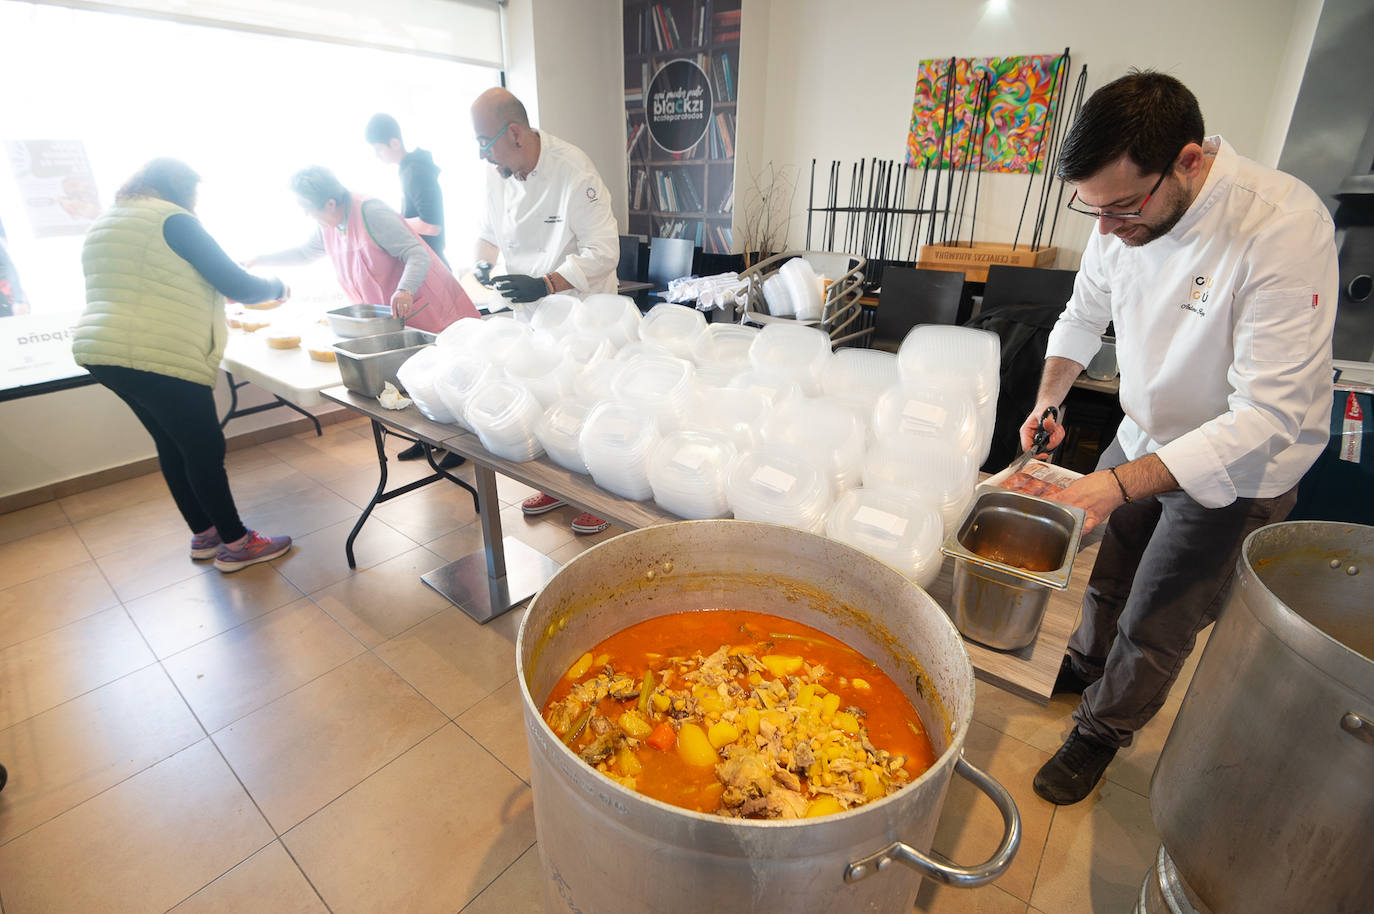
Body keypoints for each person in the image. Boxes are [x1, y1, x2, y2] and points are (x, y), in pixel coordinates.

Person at [1021, 72, 1338, 805]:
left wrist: (1120, 482)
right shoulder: (1116, 211)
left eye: (1124, 207)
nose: (1105, 228)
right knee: (1107, 571)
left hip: (1240, 462)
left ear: (1189, 162)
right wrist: (1049, 398)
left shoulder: (1282, 226)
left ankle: (1101, 731)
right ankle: (1086, 660)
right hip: (1143, 431)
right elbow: (1083, 310)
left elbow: (1267, 413)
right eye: (1091, 208)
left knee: (1159, 614)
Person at [74, 158, 294, 573]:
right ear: (180, 189)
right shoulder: (172, 219)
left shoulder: (110, 222)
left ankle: (206, 533)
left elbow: (148, 284)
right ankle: (236, 543)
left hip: (103, 351)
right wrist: (279, 287)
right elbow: (239, 284)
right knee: (204, 449)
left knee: (172, 444)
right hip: (158, 353)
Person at [253, 166, 480, 467]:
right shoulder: (330, 224)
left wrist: (405, 290)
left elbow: (416, 253)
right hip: (393, 318)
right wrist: (259, 259)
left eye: (308, 208)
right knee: (412, 379)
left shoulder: (371, 212)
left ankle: (461, 445)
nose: (308, 215)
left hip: (425, 306)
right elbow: (305, 253)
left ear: (330, 203)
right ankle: (428, 439)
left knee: (447, 376)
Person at [471, 86, 620, 534]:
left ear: (514, 133)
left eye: (485, 143)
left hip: (583, 315)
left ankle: (599, 493)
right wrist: (482, 259)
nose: (483, 156)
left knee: (589, 405)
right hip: (533, 319)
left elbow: (604, 251)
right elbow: (489, 232)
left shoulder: (573, 170)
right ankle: (560, 485)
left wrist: (545, 282)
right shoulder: (499, 174)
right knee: (550, 405)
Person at [364, 113, 448, 265]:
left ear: (395, 143)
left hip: (432, 261)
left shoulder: (414, 171)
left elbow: (432, 226)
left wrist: (394, 222)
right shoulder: (408, 169)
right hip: (427, 258)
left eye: (379, 149)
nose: (377, 156)